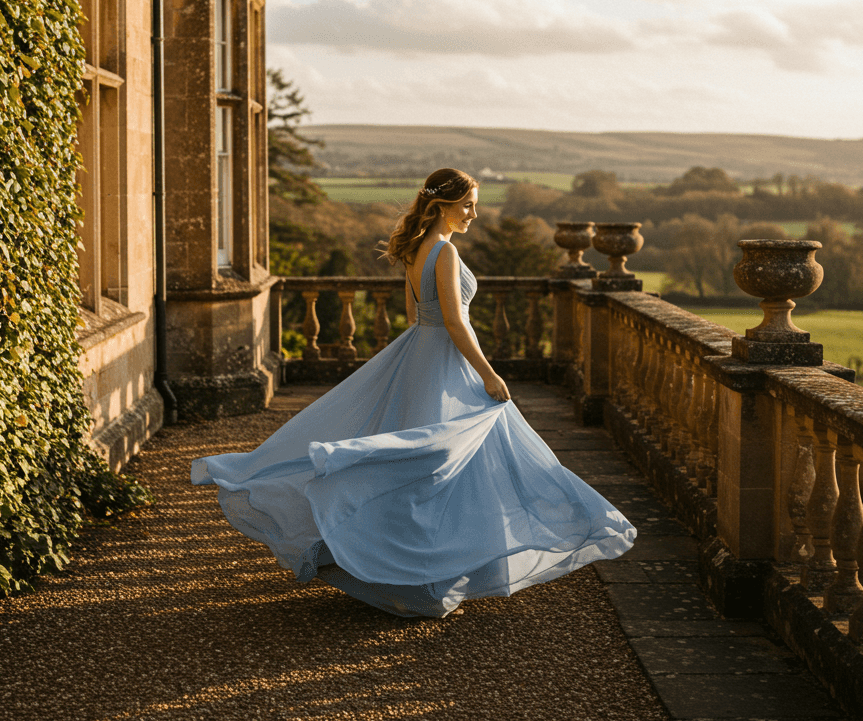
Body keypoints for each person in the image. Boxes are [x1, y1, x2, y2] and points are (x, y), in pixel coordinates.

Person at [191, 167, 636, 617]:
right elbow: (454, 322)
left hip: (419, 354)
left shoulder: (415, 250)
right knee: (438, 464)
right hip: (445, 358)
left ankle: (417, 571)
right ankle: (428, 575)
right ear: (442, 205)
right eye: (467, 205)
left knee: (424, 459)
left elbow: (414, 314)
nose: (474, 214)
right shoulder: (444, 252)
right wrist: (487, 373)